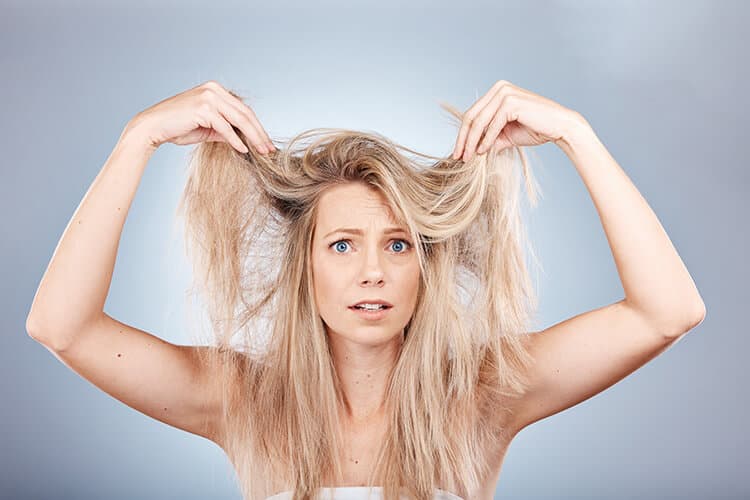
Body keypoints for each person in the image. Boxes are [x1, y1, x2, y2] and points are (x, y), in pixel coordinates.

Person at [26, 80, 706, 500]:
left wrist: (575, 134)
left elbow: (668, 311)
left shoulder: (482, 395)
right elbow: (63, 328)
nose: (372, 271)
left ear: (424, 267)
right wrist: (136, 137)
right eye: (343, 244)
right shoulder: (244, 400)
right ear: (308, 267)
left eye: (399, 244)